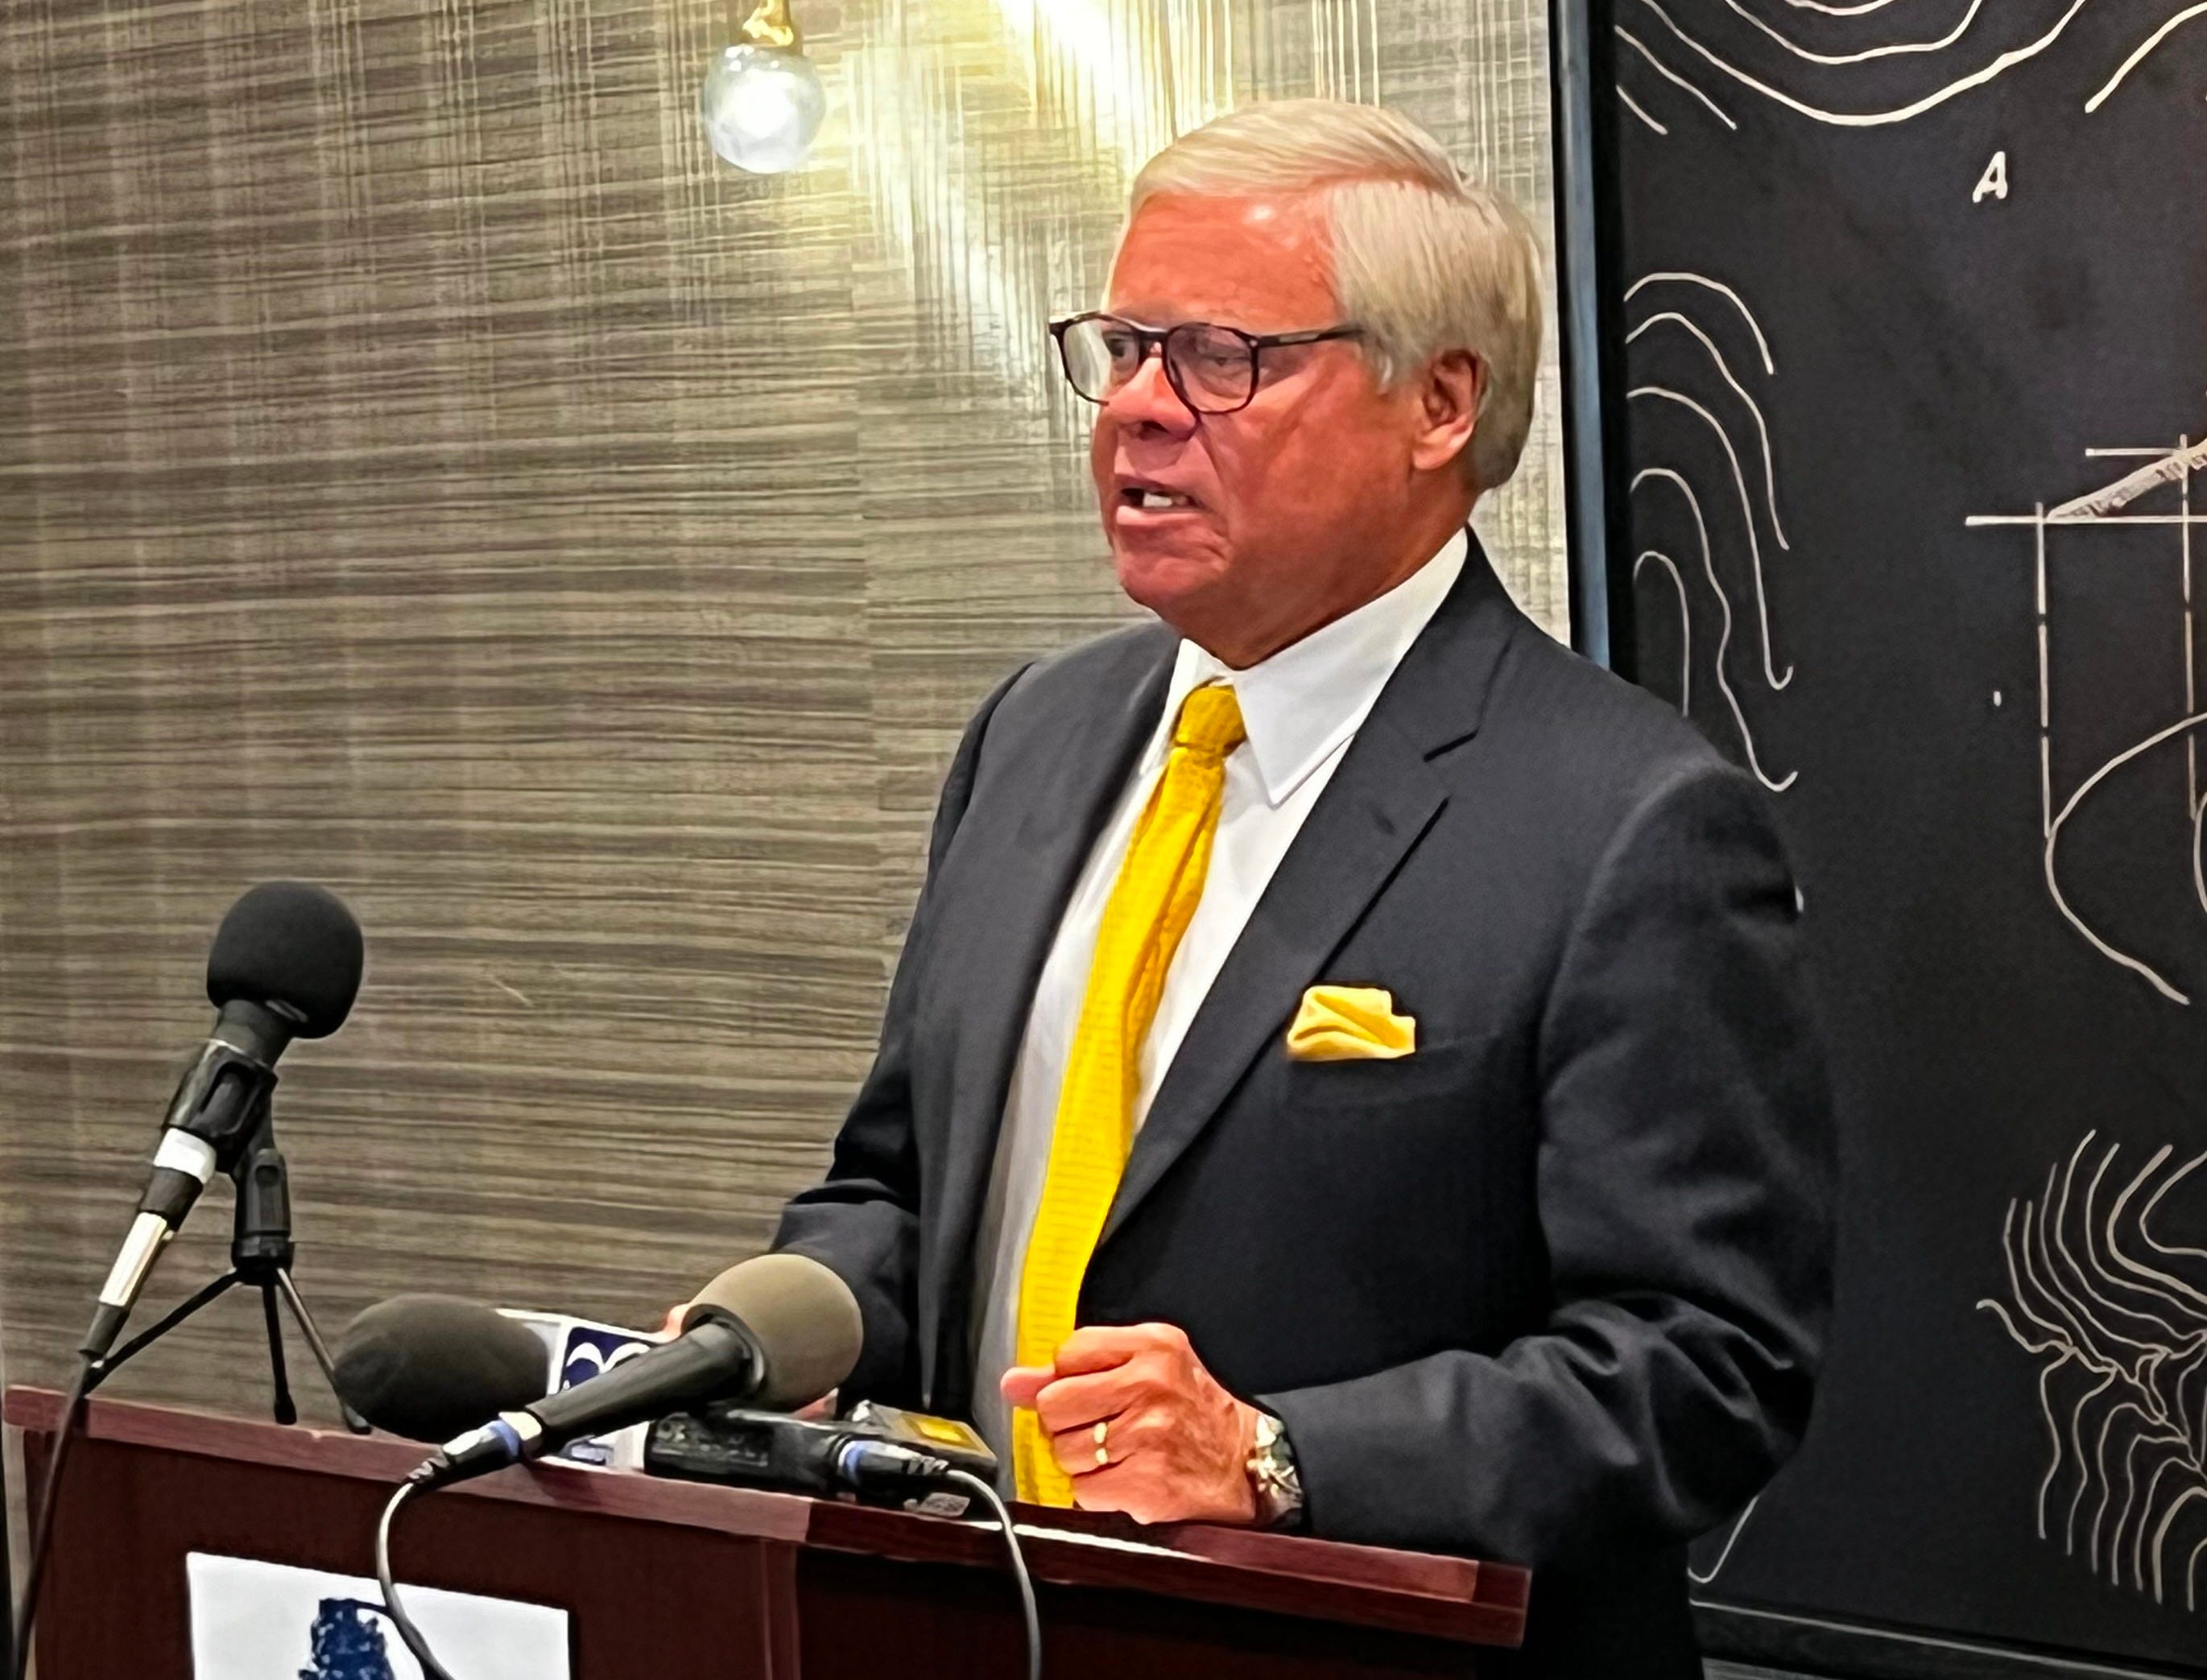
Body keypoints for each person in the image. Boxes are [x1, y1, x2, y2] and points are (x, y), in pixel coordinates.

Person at [769, 98, 1834, 1676]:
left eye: (1221, 357)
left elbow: (1706, 1366)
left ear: (1438, 404)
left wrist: (1280, 1458)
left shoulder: (1631, 821)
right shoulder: (1032, 735)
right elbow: (905, 1188)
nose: (1139, 410)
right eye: (1123, 347)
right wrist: (777, 1321)